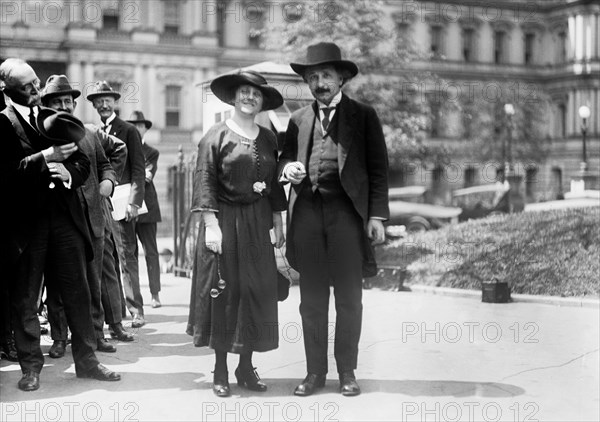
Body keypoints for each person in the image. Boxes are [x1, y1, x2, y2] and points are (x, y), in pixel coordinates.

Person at [0, 58, 120, 391]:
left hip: (65, 218)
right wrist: (47, 158)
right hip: (28, 225)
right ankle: (30, 367)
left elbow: (82, 160)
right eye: (27, 87)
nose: (36, 90)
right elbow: (7, 174)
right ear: (7, 90)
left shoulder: (52, 118)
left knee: (77, 292)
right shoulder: (2, 124)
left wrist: (71, 173)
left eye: (36, 83)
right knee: (26, 297)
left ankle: (87, 361)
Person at [279, 42, 390, 397]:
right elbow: (282, 160)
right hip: (308, 218)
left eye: (326, 74)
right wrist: (288, 170)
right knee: (311, 300)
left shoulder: (363, 115)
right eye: (312, 76)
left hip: (347, 217)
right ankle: (314, 373)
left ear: (341, 77)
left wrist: (376, 216)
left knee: (348, 299)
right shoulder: (297, 120)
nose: (319, 82)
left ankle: (346, 371)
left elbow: (378, 170)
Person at [187, 70, 286, 397]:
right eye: (244, 92)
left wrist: (278, 221)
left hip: (258, 225)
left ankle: (246, 365)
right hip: (225, 223)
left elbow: (273, 184)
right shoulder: (215, 137)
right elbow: (204, 183)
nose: (250, 97)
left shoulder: (269, 137)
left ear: (262, 101)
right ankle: (220, 370)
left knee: (255, 294)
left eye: (256, 94)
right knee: (225, 294)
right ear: (233, 97)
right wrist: (211, 227)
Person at [40, 74, 132, 358]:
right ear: (48, 105)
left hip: (92, 216)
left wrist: (109, 181)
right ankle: (59, 337)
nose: (65, 106)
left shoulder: (90, 132)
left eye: (68, 101)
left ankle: (96, 333)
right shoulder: (41, 136)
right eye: (58, 101)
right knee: (57, 284)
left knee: (93, 281)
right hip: (59, 220)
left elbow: (106, 163)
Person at [87, 81, 147, 328]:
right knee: (106, 258)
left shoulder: (128, 131)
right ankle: (115, 311)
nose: (103, 104)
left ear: (115, 102)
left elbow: (138, 170)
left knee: (126, 255)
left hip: (122, 201)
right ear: (93, 104)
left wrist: (134, 202)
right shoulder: (89, 131)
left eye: (107, 100)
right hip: (99, 203)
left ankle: (136, 309)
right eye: (98, 101)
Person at [126, 111, 162, 308]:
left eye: (140, 125)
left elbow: (145, 177)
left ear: (145, 128)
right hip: (127, 208)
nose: (136, 129)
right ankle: (132, 299)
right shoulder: (121, 149)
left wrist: (129, 177)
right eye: (132, 125)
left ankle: (155, 294)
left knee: (151, 252)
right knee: (128, 254)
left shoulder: (151, 152)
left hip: (147, 208)